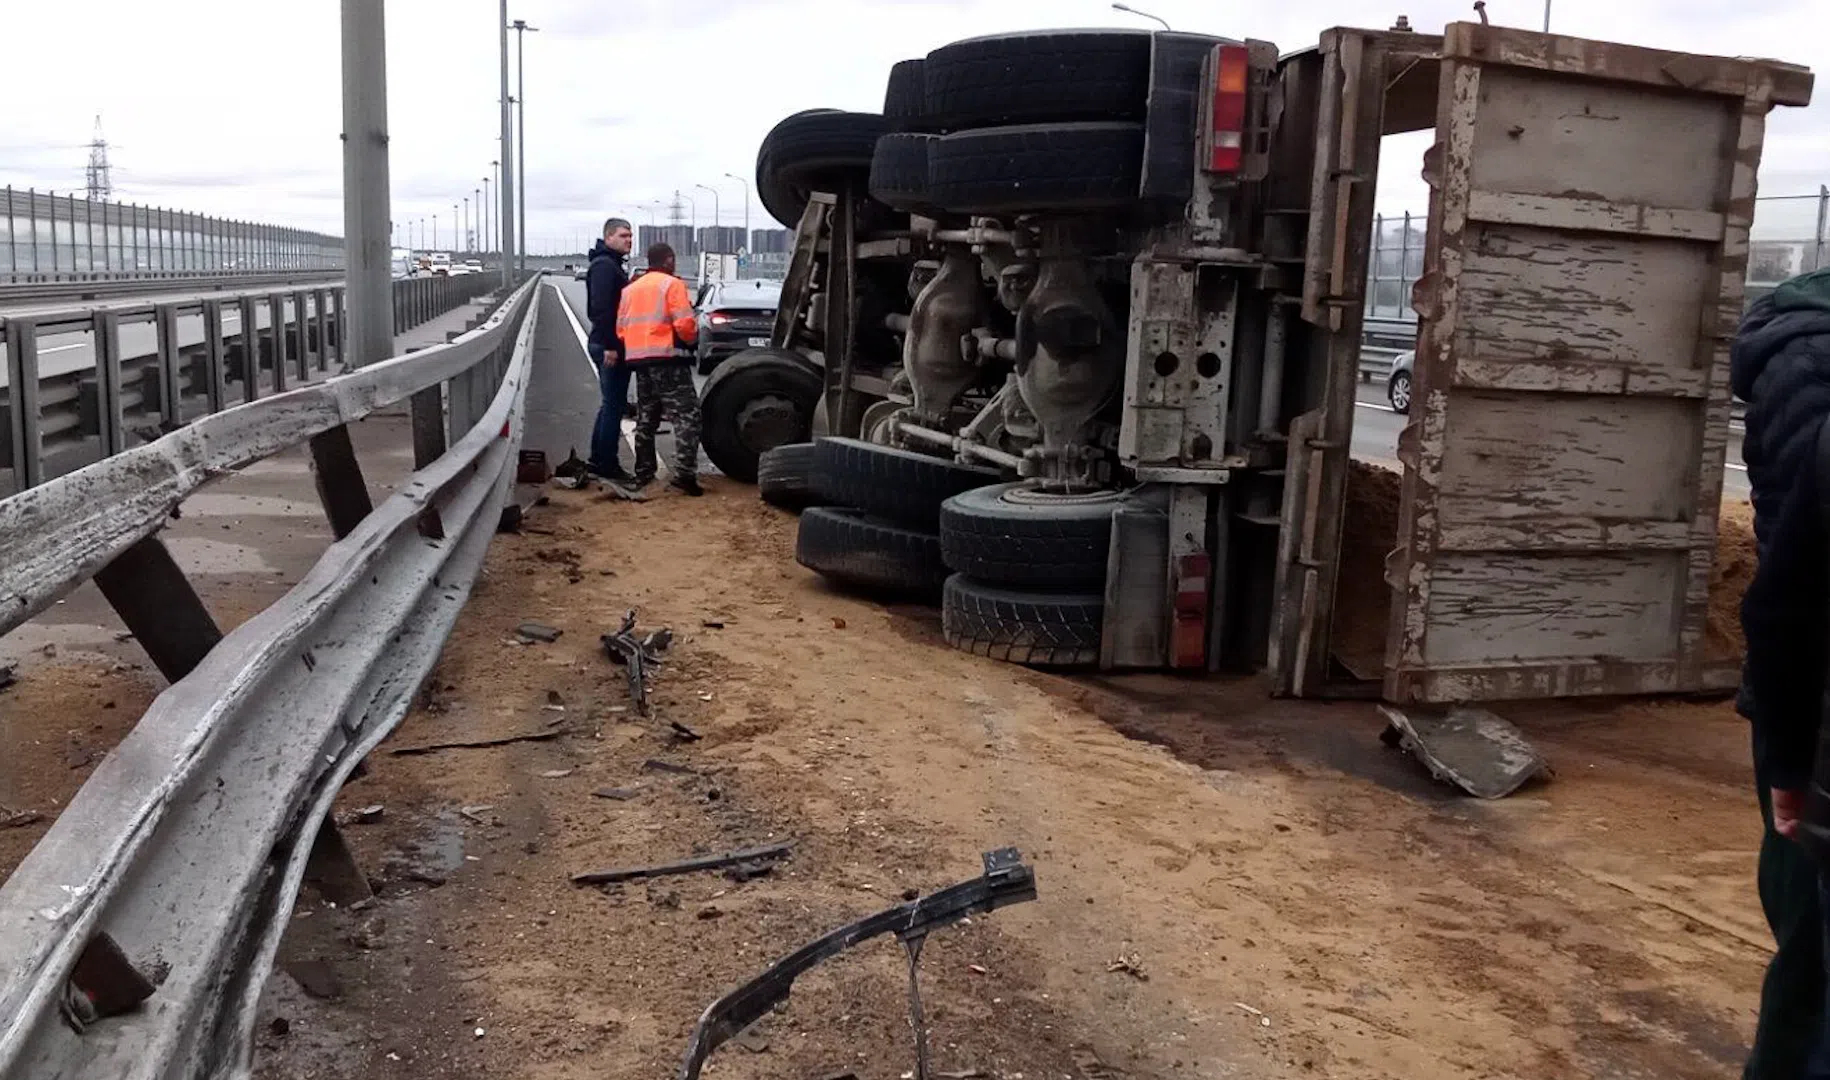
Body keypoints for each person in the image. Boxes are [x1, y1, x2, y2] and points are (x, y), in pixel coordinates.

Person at [1732, 265, 1830, 1079]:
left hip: (1801, 683)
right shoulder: (1808, 364)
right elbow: (1792, 591)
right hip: (1809, 696)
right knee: (1807, 927)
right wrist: (1798, 759)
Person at [615, 242, 704, 496]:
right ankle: (685, 475)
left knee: (647, 417)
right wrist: (691, 340)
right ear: (668, 260)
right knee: (687, 416)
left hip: (640, 361)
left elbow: (621, 329)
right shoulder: (672, 285)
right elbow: (685, 324)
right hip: (668, 359)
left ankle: (644, 473)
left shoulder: (631, 289)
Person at [585, 218, 635, 482]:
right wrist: (612, 346)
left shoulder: (611, 264)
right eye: (624, 235)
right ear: (608, 238)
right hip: (608, 346)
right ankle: (607, 463)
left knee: (609, 405)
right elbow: (601, 310)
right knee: (614, 406)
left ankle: (597, 460)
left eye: (631, 236)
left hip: (608, 343)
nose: (629, 240)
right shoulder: (605, 267)